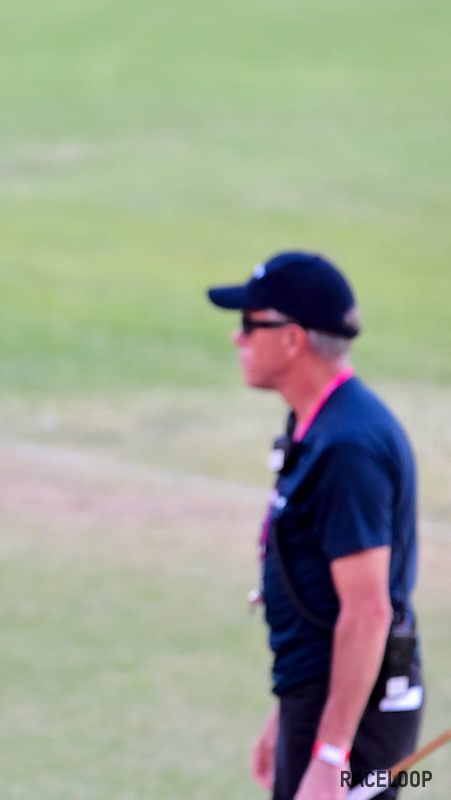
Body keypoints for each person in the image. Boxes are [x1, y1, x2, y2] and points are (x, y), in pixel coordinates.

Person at [207, 251, 423, 800]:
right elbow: (318, 599)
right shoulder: (318, 424)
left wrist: (331, 755)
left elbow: (369, 611)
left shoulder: (349, 448)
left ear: (292, 338)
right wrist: (288, 714)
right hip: (321, 695)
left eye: (249, 325)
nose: (238, 340)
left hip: (356, 716)